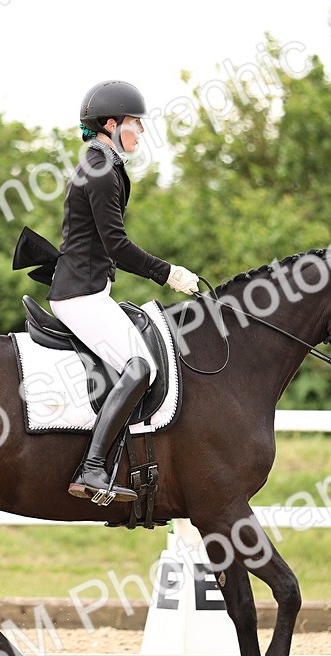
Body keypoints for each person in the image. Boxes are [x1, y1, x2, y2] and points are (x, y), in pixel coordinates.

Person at [49, 79, 201, 505]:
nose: (142, 131)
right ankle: (92, 469)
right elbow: (116, 244)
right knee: (140, 367)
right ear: (112, 124)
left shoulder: (105, 165)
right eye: (137, 123)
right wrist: (166, 272)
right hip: (81, 295)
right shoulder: (100, 170)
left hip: (89, 289)